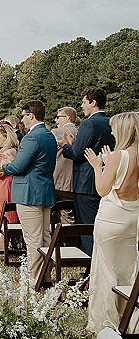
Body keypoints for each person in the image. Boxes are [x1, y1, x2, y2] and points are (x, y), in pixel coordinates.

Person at [84, 112, 139, 334]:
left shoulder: (119, 156)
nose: (112, 132)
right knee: (129, 269)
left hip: (112, 217)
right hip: (133, 216)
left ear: (124, 130)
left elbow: (102, 189)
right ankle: (131, 319)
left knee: (106, 269)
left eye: (115, 128)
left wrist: (99, 166)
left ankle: (106, 323)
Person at [0, 100, 57, 284]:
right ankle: (45, 277)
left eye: (23, 116)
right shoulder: (48, 135)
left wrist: (4, 167)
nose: (22, 120)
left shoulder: (32, 137)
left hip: (29, 193)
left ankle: (34, 280)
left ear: (31, 115)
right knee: (45, 237)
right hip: (45, 190)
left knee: (32, 239)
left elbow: (19, 166)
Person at [59, 88, 115, 256]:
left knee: (88, 227)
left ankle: (92, 267)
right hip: (105, 178)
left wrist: (66, 146)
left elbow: (77, 154)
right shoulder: (110, 122)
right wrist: (76, 143)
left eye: (84, 102)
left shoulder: (89, 123)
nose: (82, 106)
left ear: (93, 103)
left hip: (85, 183)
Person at [52, 106, 78, 225]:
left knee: (61, 214)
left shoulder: (56, 132)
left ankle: (65, 241)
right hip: (77, 180)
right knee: (71, 212)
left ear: (66, 118)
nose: (55, 120)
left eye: (58, 117)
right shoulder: (80, 132)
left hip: (59, 179)